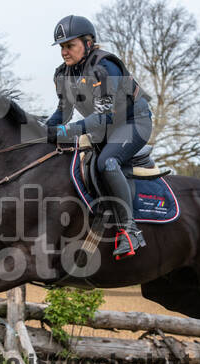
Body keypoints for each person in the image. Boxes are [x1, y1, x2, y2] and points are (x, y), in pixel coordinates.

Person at [46, 15, 153, 259]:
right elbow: (62, 113)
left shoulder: (105, 67)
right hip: (105, 129)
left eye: (69, 45)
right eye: (61, 47)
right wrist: (40, 131)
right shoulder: (63, 74)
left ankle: (131, 231)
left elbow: (103, 119)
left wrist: (62, 132)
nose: (64, 52)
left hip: (133, 123)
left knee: (108, 162)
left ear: (89, 42)